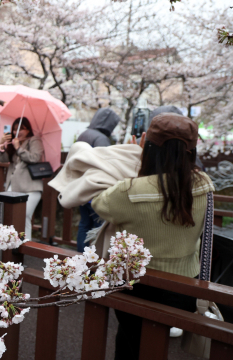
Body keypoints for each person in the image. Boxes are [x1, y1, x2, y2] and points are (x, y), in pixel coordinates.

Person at [92, 113, 214, 360]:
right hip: (185, 287)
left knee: (130, 342)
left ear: (148, 146)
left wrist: (135, 156)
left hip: (138, 285)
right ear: (191, 150)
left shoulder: (129, 191)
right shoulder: (204, 183)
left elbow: (99, 204)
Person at [75, 108, 120, 252]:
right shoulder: (101, 139)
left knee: (84, 223)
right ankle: (91, 259)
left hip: (81, 186)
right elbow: (106, 164)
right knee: (97, 225)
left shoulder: (84, 134)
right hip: (95, 189)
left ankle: (80, 255)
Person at [0, 117, 45, 241]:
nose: (16, 132)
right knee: (8, 216)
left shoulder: (35, 140)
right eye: (14, 129)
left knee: (24, 216)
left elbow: (35, 158)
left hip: (31, 187)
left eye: (21, 129)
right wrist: (1, 146)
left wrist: (19, 148)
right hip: (13, 185)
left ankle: (24, 245)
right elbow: (3, 160)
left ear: (28, 129)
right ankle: (11, 243)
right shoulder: (14, 142)